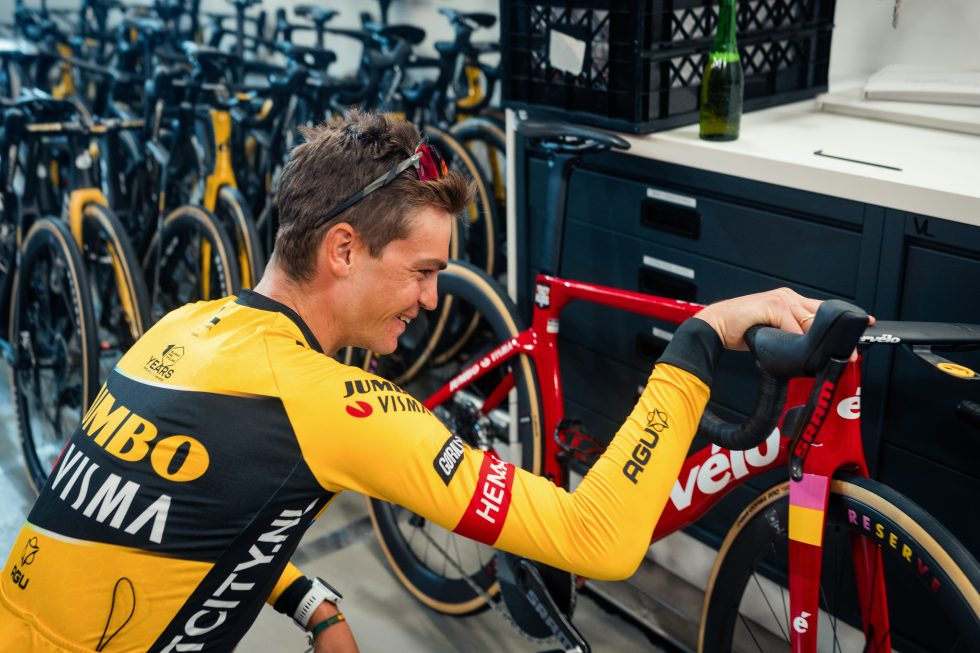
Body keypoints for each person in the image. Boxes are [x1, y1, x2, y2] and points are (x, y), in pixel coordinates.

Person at [0, 110, 827, 653]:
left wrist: (311, 601)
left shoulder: (181, 327)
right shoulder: (334, 407)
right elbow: (597, 538)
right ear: (345, 250)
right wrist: (697, 340)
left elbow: (169, 521)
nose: (434, 299)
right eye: (424, 269)